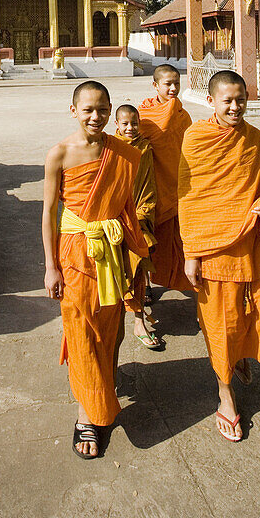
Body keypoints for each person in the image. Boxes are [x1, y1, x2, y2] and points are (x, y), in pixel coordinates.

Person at [179, 70, 260, 442]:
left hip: (252, 246)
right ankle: (225, 395)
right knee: (221, 325)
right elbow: (191, 199)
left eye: (240, 99)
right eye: (227, 100)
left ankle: (239, 358)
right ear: (210, 101)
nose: (234, 106)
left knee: (259, 318)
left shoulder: (255, 139)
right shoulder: (196, 139)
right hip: (213, 252)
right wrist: (191, 254)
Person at [42, 81, 148, 460]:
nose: (95, 116)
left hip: (112, 250)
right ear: (73, 110)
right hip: (74, 251)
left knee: (109, 328)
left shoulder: (122, 153)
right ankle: (89, 412)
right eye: (88, 109)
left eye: (102, 109)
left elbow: (126, 209)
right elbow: (49, 214)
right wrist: (50, 267)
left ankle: (104, 385)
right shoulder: (59, 154)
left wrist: (136, 254)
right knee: (81, 328)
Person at [138, 64, 193, 295]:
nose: (173, 88)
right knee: (149, 234)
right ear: (155, 85)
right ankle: (145, 284)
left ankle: (178, 276)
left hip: (176, 183)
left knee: (176, 237)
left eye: (176, 83)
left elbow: (190, 148)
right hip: (152, 184)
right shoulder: (144, 115)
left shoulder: (182, 114)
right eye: (167, 84)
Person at [113, 103, 161, 349]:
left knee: (139, 267)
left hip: (141, 214)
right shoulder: (110, 148)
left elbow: (149, 182)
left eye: (134, 123)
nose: (130, 128)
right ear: (117, 125)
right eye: (125, 124)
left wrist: (143, 212)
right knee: (123, 270)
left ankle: (139, 321)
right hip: (116, 218)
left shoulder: (145, 148)